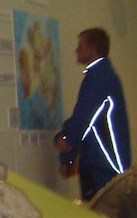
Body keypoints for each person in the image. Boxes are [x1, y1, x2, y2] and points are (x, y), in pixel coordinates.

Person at [54, 28, 131, 200]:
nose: (76, 50)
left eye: (80, 45)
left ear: (92, 48)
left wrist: (66, 149)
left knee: (100, 216)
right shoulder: (103, 75)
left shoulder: (99, 77)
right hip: (103, 163)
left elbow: (84, 119)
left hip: (102, 164)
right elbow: (83, 117)